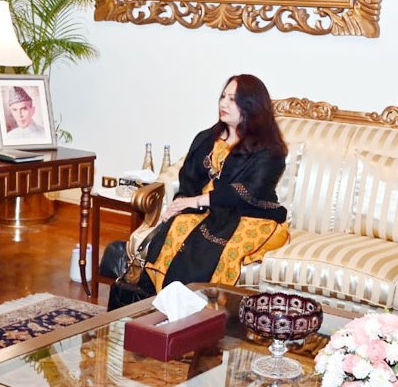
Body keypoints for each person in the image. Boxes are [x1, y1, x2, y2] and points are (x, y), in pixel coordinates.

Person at [109, 74, 290, 310]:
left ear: (252, 106)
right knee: (176, 230)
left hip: (252, 216)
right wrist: (178, 205)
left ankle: (199, 314)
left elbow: (248, 192)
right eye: (223, 96)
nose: (223, 104)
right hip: (208, 211)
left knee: (221, 249)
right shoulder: (207, 139)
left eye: (233, 99)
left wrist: (196, 202)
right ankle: (162, 309)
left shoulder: (269, 149)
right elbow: (188, 179)